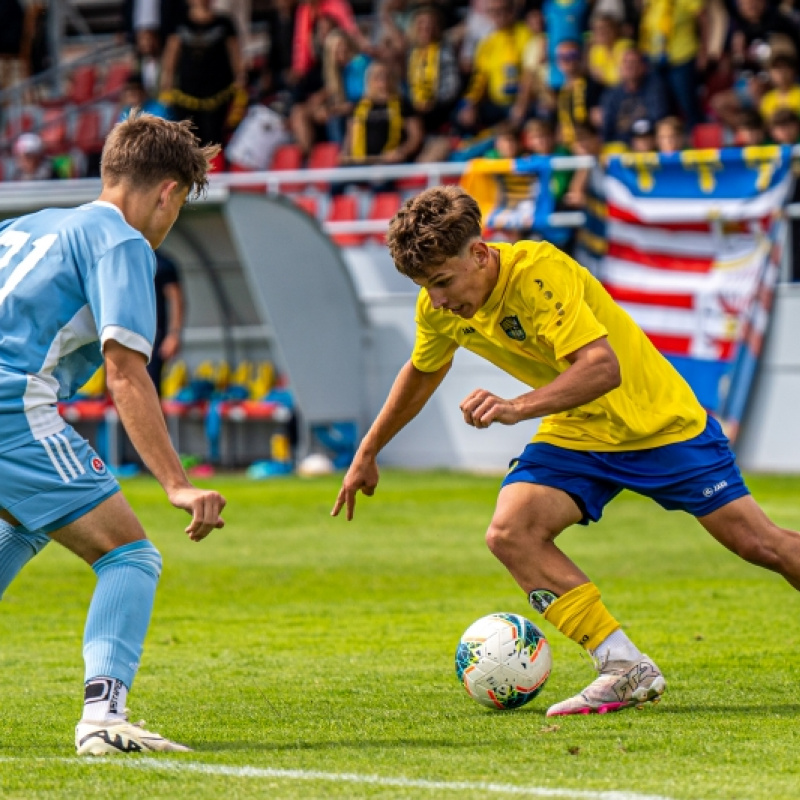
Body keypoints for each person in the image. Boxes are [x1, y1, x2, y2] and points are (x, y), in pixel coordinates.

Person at [332, 184, 800, 717]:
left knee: (763, 546)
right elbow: (421, 371)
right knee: (511, 532)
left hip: (659, 425)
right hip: (579, 430)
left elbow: (602, 368)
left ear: (480, 254)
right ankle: (623, 666)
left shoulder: (538, 272)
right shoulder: (440, 307)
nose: (436, 299)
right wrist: (367, 451)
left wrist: (517, 407)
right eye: (424, 286)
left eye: (441, 281)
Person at [0, 113, 226, 753]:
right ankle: (104, 717)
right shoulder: (122, 241)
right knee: (129, 554)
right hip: (10, 402)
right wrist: (177, 484)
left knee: (25, 521)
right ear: (169, 193)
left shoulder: (26, 225)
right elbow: (125, 373)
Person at [148, 250, 185, 395]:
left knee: (151, 388)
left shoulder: (161, 263)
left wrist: (174, 335)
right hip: (126, 335)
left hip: (154, 337)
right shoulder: (124, 261)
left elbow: (176, 299)